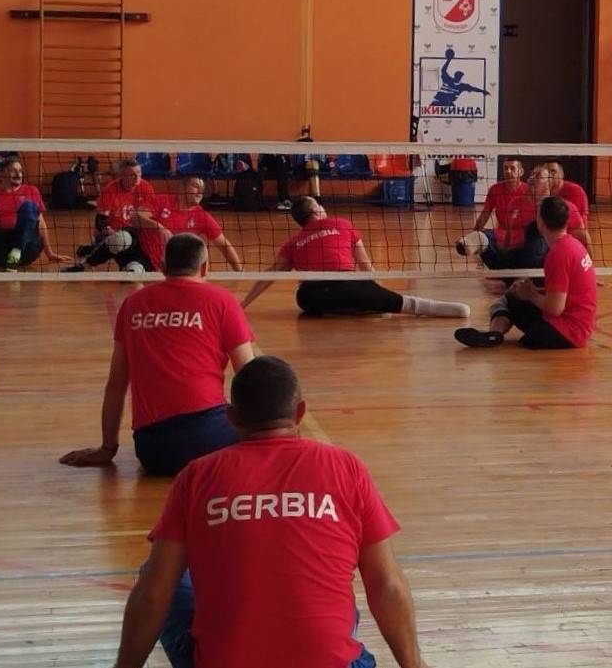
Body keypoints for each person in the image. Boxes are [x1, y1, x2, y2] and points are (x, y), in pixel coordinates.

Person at [113, 356, 429, 668]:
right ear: (300, 413)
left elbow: (153, 595)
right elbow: (386, 586)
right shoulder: (347, 469)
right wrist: (415, 665)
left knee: (156, 573)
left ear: (231, 417)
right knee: (337, 606)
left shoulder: (196, 476)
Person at [61, 234, 255, 476]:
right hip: (211, 438)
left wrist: (107, 448)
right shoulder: (223, 301)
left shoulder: (132, 305)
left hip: (153, 450)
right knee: (273, 415)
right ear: (205, 267)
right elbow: (252, 378)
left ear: (162, 267)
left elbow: (116, 385)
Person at [242, 196, 469, 318]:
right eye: (319, 204)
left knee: (303, 298)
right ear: (316, 211)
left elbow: (270, 274)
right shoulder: (342, 223)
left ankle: (347, 308)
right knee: (401, 304)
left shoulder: (293, 241)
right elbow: (366, 265)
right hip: (350, 285)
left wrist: (243, 305)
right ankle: (372, 305)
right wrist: (375, 290)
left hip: (312, 296)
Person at [455, 195, 597, 350]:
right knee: (513, 296)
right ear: (566, 221)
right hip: (580, 326)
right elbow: (565, 295)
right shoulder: (574, 244)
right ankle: (494, 335)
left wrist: (530, 295)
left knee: (513, 306)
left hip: (567, 332)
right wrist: (534, 290)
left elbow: (555, 308)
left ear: (540, 222)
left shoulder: (558, 254)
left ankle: (494, 334)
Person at [0, 158, 71, 272]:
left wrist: (50, 254)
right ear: (1, 174)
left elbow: (41, 224)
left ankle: (15, 254)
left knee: (29, 207)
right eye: (14, 170)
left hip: (25, 249)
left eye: (20, 171)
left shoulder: (31, 191)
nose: (18, 174)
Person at [65, 159, 161, 273]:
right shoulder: (110, 190)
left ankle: (95, 252)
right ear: (122, 176)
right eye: (132, 175)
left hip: (137, 233)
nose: (137, 178)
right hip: (115, 232)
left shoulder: (145, 187)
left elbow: (152, 214)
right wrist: (109, 231)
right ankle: (87, 263)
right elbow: (100, 221)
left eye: (139, 173)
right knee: (120, 240)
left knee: (140, 248)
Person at [459, 156, 543, 275]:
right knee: (483, 237)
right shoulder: (495, 189)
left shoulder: (529, 191)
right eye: (505, 168)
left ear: (521, 172)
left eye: (512, 168)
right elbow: (485, 215)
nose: (508, 171)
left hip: (525, 237)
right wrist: (474, 234)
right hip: (503, 234)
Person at [145, 177, 245, 273]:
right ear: (182, 188)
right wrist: (159, 227)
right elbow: (138, 217)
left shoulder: (202, 216)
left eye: (202, 189)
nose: (200, 192)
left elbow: (224, 245)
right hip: (146, 261)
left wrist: (240, 273)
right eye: (196, 186)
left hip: (175, 270)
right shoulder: (162, 200)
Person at [544, 160, 590, 225]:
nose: (548, 174)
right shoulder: (540, 190)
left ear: (561, 175)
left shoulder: (575, 191)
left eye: (553, 171)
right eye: (545, 172)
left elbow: (569, 221)